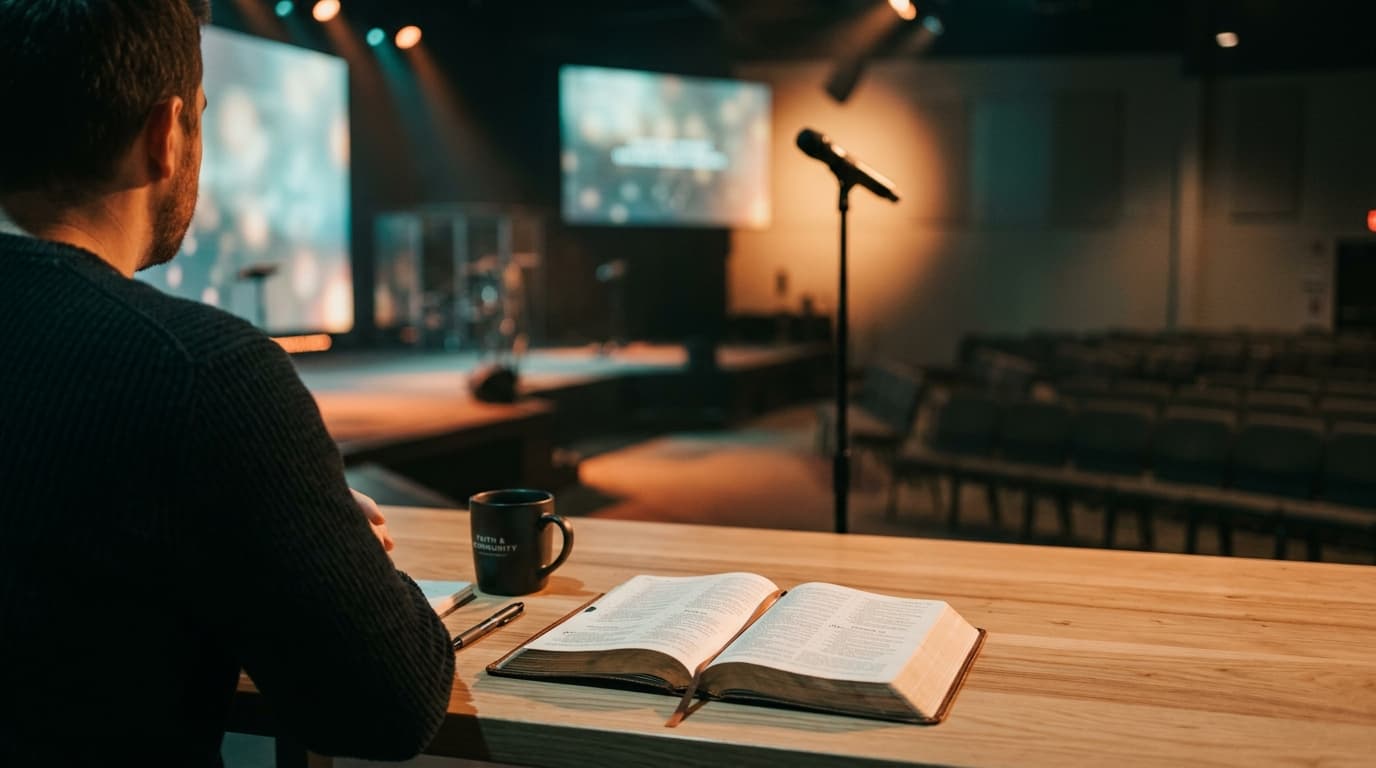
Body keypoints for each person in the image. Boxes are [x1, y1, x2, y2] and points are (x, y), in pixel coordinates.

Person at [0, 1, 454, 765]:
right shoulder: (200, 375)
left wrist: (274, 502)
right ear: (164, 136)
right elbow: (387, 709)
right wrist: (342, 552)